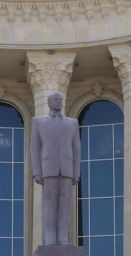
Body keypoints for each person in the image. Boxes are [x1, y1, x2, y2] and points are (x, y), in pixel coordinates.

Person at [31, 92, 81, 246]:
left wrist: (76, 173)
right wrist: (37, 171)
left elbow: (77, 149)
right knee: (49, 205)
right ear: (49, 102)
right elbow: (35, 147)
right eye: (56, 100)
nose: (59, 102)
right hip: (48, 168)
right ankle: (50, 238)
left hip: (67, 168)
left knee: (65, 205)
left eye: (61, 100)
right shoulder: (38, 121)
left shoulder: (72, 123)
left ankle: (63, 238)